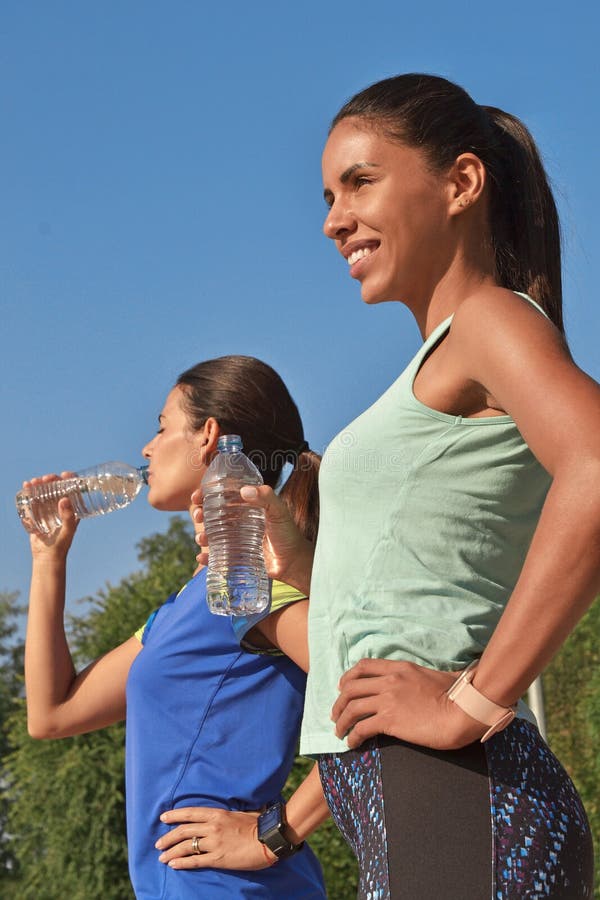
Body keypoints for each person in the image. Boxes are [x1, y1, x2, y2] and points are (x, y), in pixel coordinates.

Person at [188, 74, 598, 897]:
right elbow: (396, 604)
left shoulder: (490, 319)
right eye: (329, 194)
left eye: (360, 182)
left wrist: (472, 702)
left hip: (460, 789)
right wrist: (293, 560)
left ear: (462, 183)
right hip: (418, 801)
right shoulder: (435, 361)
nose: (334, 218)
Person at [22, 355, 327, 899]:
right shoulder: (190, 601)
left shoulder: (244, 582)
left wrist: (275, 833)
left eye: (162, 427)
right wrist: (49, 560)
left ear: (208, 436)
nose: (146, 448)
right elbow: (54, 712)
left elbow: (373, 690)